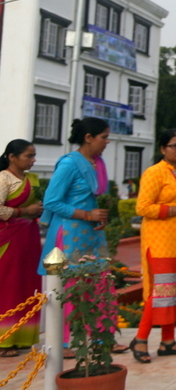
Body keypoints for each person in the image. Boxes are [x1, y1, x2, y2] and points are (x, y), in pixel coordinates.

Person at [39, 117, 127, 353]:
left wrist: (99, 218)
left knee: (100, 283)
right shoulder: (69, 164)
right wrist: (87, 215)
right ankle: (67, 343)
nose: (107, 142)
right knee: (71, 288)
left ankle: (103, 337)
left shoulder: (98, 163)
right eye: (104, 137)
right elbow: (51, 201)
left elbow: (98, 199)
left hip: (93, 235)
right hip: (70, 234)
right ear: (88, 138)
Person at [131, 130, 176, 362]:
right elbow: (142, 208)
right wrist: (175, 210)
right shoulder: (155, 172)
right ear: (163, 149)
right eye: (173, 145)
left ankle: (168, 341)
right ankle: (140, 339)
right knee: (160, 292)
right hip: (161, 240)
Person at [0, 140, 42, 356]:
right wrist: (23, 211)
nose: (33, 160)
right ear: (12, 157)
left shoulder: (31, 180)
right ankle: (5, 341)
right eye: (29, 156)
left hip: (29, 239)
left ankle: (24, 336)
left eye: (34, 155)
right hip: (8, 241)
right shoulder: (3, 178)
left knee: (28, 285)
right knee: (9, 286)